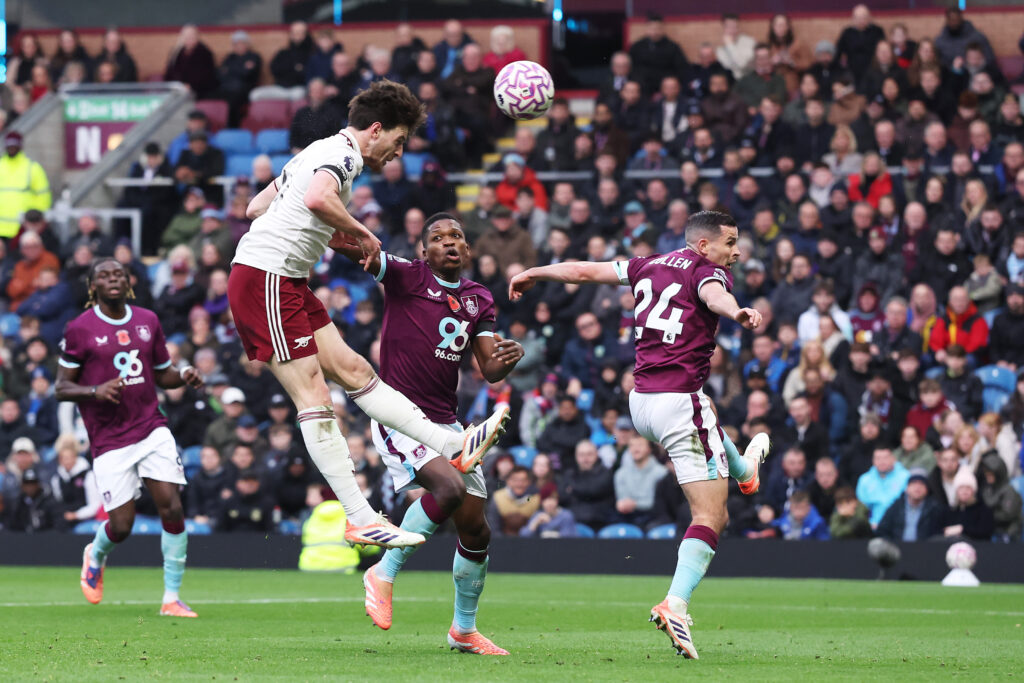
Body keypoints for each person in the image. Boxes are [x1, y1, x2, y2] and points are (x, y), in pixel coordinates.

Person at [230, 81, 510, 551]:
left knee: (357, 370)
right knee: (315, 396)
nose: (398, 153)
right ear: (375, 130)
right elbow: (319, 199)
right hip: (267, 278)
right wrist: (363, 232)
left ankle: (452, 447)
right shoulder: (343, 156)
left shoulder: (314, 152)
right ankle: (358, 515)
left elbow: (256, 206)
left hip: (287, 281)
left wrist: (324, 234)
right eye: (398, 142)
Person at [510, 210, 769, 659]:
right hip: (677, 404)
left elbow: (583, 271)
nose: (737, 251)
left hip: (641, 403)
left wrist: (534, 271)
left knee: (706, 411)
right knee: (711, 518)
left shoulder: (645, 263)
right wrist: (738, 311)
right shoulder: (710, 274)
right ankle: (676, 603)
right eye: (730, 242)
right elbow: (711, 296)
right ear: (704, 246)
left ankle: (744, 469)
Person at [330, 212, 523, 654]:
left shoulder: (479, 298)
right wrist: (333, 233)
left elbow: (489, 369)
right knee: (450, 487)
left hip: (446, 421)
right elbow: (360, 250)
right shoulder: (406, 276)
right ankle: (383, 572)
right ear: (424, 251)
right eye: (438, 238)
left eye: (457, 236)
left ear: (468, 249)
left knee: (477, 533)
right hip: (398, 413)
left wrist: (510, 357)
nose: (449, 243)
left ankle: (464, 631)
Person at [55, 259, 205, 617]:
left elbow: (161, 375)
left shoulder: (147, 320)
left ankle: (171, 597)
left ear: (129, 282)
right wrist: (94, 391)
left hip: (151, 426)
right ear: (93, 285)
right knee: (122, 526)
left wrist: (183, 374)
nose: (113, 279)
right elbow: (62, 387)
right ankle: (97, 553)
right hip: (108, 438)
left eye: (118, 274)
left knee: (170, 504)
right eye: (104, 275)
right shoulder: (80, 329)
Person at [0, 131, 51, 239]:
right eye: (9, 146)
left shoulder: (32, 168)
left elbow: (43, 197)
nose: (12, 148)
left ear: (20, 146)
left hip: (23, 228)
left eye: (14, 146)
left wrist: (35, 219)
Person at [876, 468, 944, 541]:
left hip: (926, 549)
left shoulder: (935, 508)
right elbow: (882, 531)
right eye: (914, 483)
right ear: (907, 488)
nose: (917, 487)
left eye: (921, 484)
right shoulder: (896, 507)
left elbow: (940, 533)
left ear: (927, 489)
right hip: (897, 549)